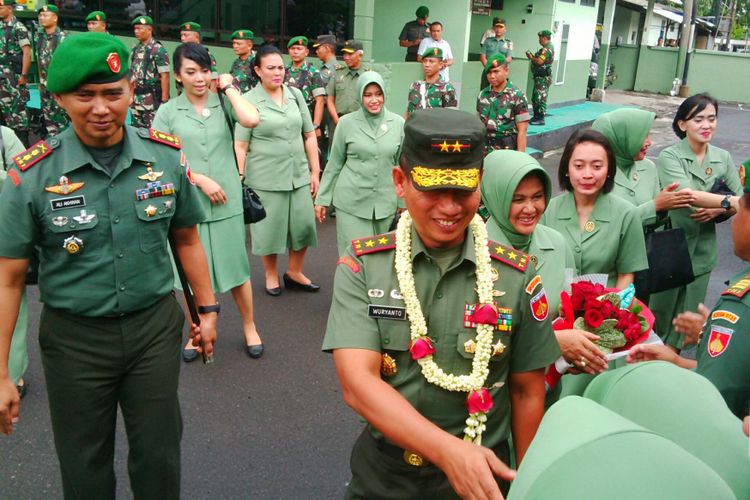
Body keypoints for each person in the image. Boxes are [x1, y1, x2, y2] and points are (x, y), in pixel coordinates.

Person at [0, 32, 218, 498]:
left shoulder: (164, 154)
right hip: (74, 340)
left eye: (112, 93)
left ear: (129, 92)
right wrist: (1, 372)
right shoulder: (30, 174)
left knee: (159, 453)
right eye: (85, 95)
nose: (100, 108)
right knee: (84, 462)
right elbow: (9, 279)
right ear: (59, 98)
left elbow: (186, 238)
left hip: (153, 331)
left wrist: (209, 310)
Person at [322, 108, 560, 499]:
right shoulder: (364, 266)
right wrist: (451, 453)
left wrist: (525, 486)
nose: (449, 208)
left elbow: (526, 391)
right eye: (432, 189)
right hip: (385, 477)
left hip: (481, 478)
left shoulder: (517, 277)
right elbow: (358, 384)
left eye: (463, 190)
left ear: (480, 183)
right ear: (400, 181)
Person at [153, 43, 264, 360]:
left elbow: (251, 118)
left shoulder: (223, 103)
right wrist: (199, 178)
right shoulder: (168, 112)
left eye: (204, 70)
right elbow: (162, 158)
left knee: (236, 269)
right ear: (177, 75)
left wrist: (229, 89)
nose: (199, 78)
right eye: (190, 72)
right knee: (188, 274)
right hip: (189, 203)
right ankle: (197, 330)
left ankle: (249, 326)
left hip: (226, 201)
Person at [480, 150, 608, 378]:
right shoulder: (474, 249)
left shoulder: (557, 243)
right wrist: (555, 342)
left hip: (548, 383)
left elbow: (570, 308)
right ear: (495, 196)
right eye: (518, 199)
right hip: (494, 390)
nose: (530, 209)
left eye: (537, 197)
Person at [649, 93, 742, 352]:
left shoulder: (722, 158)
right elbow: (687, 196)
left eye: (711, 119)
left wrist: (719, 211)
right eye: (698, 119)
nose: (706, 125)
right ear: (682, 124)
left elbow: (741, 201)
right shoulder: (670, 156)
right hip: (669, 248)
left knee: (687, 326)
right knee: (659, 318)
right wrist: (725, 202)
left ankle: (673, 367)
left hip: (702, 251)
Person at [234, 45, 320, 296]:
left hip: (298, 174)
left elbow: (309, 135)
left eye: (281, 67)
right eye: (270, 68)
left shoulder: (295, 95)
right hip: (265, 177)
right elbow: (240, 144)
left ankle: (294, 271)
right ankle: (271, 274)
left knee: (303, 226)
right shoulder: (248, 100)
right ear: (258, 70)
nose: (277, 72)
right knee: (269, 229)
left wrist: (315, 172)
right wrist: (240, 176)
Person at [541, 129, 647, 288]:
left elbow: (626, 275)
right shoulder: (547, 211)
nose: (587, 174)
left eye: (597, 166)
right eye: (578, 166)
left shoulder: (627, 215)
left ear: (609, 170)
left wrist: (610, 309)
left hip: (605, 308)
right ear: (566, 169)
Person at [314, 72, 404, 255]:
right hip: (351, 202)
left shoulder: (398, 124)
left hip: (385, 204)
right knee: (353, 257)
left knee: (382, 258)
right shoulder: (346, 123)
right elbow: (335, 163)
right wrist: (322, 199)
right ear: (360, 96)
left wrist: (403, 201)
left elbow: (401, 166)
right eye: (368, 95)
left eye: (378, 94)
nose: (374, 100)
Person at [591, 108, 694, 227]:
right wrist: (655, 206)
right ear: (621, 138)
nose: (649, 142)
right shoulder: (592, 175)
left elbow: (656, 222)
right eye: (642, 136)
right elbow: (600, 226)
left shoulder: (647, 167)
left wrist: (668, 205)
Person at [0, 126, 28, 399]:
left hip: (3, 228)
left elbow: (22, 175)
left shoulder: (4, 136)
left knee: (10, 301)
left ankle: (14, 370)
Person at [477, 55, 530, 153]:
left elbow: (522, 130)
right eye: (489, 72)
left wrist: (520, 158)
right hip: (484, 150)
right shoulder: (483, 94)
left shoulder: (517, 95)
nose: (492, 76)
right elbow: (478, 124)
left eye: (496, 71)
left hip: (506, 151)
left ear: (506, 71)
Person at [129, 15, 170, 129]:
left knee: (154, 133)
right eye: (135, 29)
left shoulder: (158, 49)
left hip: (151, 101)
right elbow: (132, 74)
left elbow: (165, 76)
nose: (136, 31)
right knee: (136, 132)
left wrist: (164, 101)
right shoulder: (135, 49)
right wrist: (130, 96)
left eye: (139, 28)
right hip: (136, 100)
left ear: (149, 29)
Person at [0, 0, 31, 147]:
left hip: (13, 77)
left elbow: (26, 53)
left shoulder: (18, 27)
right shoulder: (0, 26)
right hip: (1, 77)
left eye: (1, 7)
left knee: (18, 115)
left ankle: (24, 152)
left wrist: (24, 75)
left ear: (10, 8)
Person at [36, 4, 69, 138]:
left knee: (61, 118)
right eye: (40, 15)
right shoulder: (40, 36)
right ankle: (53, 143)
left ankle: (65, 146)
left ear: (55, 18)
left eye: (45, 15)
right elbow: (39, 59)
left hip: (59, 86)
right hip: (44, 85)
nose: (41, 18)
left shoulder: (63, 38)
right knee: (48, 117)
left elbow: (68, 63)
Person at [284, 36, 326, 139]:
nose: (295, 52)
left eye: (299, 49)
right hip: (285, 119)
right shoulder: (283, 71)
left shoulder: (313, 72)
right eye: (292, 49)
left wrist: (316, 125)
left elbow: (320, 101)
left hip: (305, 120)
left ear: (306, 52)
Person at [326, 39, 369, 125]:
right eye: (345, 54)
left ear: (360, 55)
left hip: (360, 122)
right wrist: (336, 120)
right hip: (338, 120)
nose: (346, 57)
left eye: (350, 54)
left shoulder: (367, 75)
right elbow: (330, 99)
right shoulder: (337, 73)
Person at [405, 47, 457, 117]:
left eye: (431, 61)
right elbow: (408, 112)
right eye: (425, 61)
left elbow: (451, 118)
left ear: (441, 65)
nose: (427, 65)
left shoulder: (447, 89)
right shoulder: (415, 86)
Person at [177, 22, 218, 93]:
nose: (182, 38)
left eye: (186, 35)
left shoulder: (206, 56)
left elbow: (213, 80)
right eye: (181, 35)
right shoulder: (182, 55)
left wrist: (212, 100)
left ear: (197, 37)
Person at [526, 30, 554, 126]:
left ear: (544, 38)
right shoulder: (545, 48)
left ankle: (540, 118)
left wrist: (531, 57)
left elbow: (539, 61)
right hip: (539, 77)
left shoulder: (547, 49)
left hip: (543, 78)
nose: (539, 40)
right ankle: (536, 116)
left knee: (541, 98)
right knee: (535, 98)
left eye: (540, 38)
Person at [480, 18, 513, 90]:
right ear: (494, 28)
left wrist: (498, 67)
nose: (499, 29)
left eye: (501, 27)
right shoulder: (487, 41)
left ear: (505, 29)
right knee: (485, 92)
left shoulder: (508, 43)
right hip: (488, 71)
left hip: (501, 72)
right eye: (497, 27)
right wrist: (489, 68)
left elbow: (509, 58)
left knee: (500, 93)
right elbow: (482, 57)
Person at [229, 29, 258, 93]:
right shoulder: (236, 62)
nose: (235, 46)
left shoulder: (257, 61)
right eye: (234, 43)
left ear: (249, 46)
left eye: (239, 44)